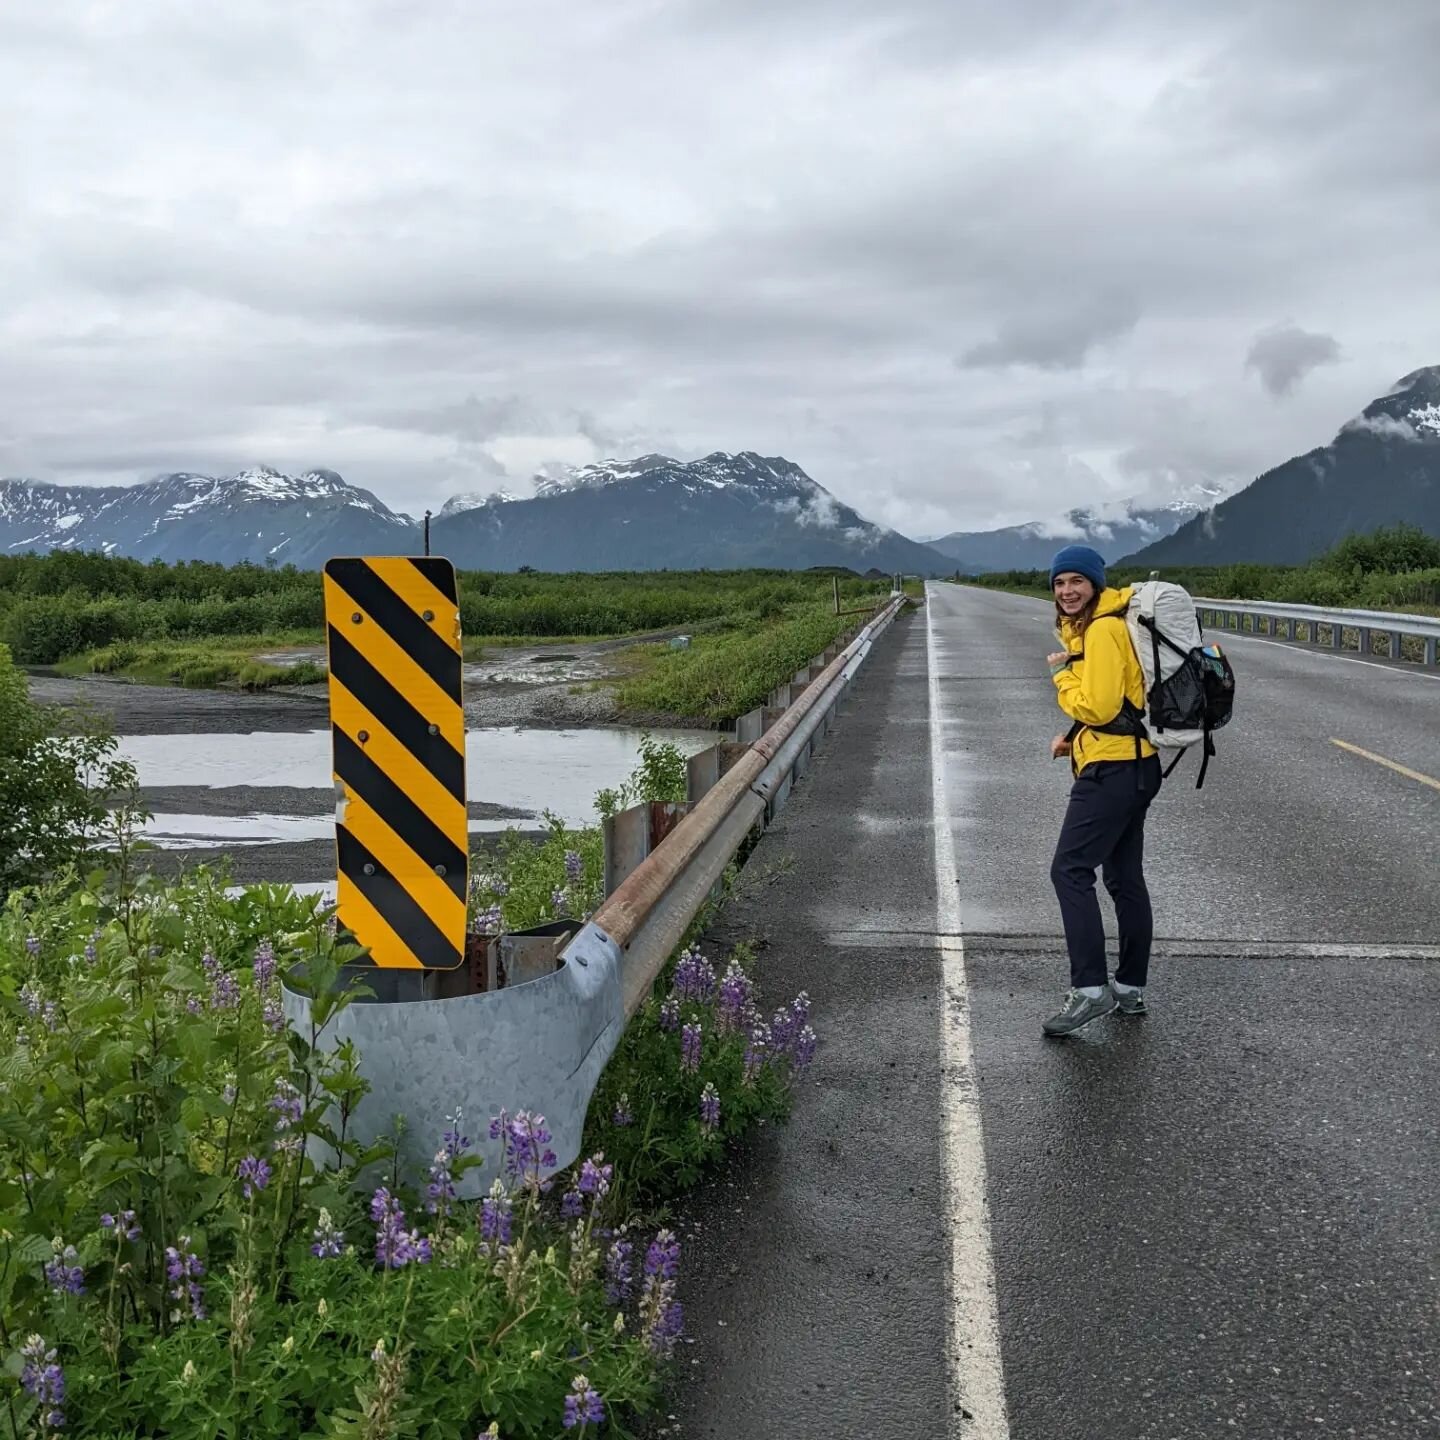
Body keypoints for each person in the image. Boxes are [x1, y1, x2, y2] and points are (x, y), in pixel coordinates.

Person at [1042, 544, 1162, 1037]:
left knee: (1069, 871)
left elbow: (1099, 703)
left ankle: (1090, 990)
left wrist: (1061, 674)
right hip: (1133, 764)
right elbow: (1119, 701)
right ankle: (1130, 990)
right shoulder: (1102, 626)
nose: (1067, 591)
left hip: (1113, 771)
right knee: (1123, 877)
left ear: (1096, 585)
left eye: (1077, 582)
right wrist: (1071, 737)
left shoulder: (1105, 629)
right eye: (1059, 583)